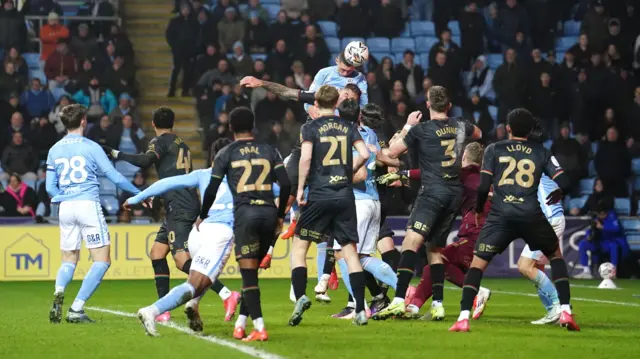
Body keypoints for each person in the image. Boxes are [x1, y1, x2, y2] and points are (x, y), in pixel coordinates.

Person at [103, 107, 240, 323]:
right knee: (157, 253)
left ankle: (226, 294)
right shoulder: (181, 145)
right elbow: (174, 175)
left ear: (154, 123)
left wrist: (115, 153)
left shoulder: (160, 141)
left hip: (179, 206)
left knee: (181, 260)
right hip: (178, 204)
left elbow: (144, 161)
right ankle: (164, 310)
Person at [449, 108, 579, 332]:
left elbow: (482, 186)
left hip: (501, 216)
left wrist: (479, 209)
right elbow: (565, 180)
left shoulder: (494, 149)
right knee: (556, 257)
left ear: (507, 128)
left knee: (477, 264)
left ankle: (462, 318)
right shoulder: (541, 151)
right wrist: (560, 191)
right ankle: (565, 311)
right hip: (531, 214)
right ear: (530, 130)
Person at [373, 86, 482, 321]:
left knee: (412, 242)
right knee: (434, 248)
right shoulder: (461, 125)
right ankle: (438, 305)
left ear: (428, 105)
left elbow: (392, 153)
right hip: (454, 193)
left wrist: (408, 126)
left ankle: (399, 300)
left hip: (432, 192)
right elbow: (479, 134)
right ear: (449, 106)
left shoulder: (421, 130)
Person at [198, 107, 290, 341]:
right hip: (269, 213)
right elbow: (286, 185)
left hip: (246, 215)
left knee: (248, 277)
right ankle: (240, 324)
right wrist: (279, 215)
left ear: (230, 127)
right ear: (253, 126)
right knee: (253, 276)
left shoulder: (225, 153)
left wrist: (203, 214)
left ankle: (259, 327)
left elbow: (211, 188)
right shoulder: (270, 150)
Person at [45, 104, 141, 324]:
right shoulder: (91, 146)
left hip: (66, 207)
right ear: (83, 121)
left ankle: (59, 291)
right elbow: (115, 177)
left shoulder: (54, 150)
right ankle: (76, 308)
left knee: (68, 260)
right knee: (102, 260)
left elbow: (50, 187)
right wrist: (140, 193)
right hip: (87, 204)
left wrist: (63, 197)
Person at [289, 85, 371, 326]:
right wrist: (349, 171)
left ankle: (301, 297)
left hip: (320, 194)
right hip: (344, 195)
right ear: (336, 103)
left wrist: (301, 188)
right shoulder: (348, 127)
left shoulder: (310, 127)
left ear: (316, 103)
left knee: (299, 248)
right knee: (349, 252)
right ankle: (360, 309)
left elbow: (305, 159)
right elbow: (365, 154)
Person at [381, 143, 491, 319]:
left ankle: (478, 292)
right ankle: (415, 307)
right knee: (434, 265)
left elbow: (433, 175)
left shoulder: (464, 173)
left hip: (475, 233)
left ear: (464, 158)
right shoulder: (486, 178)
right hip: (488, 233)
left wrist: (405, 174)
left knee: (439, 262)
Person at [508, 120, 565, 325]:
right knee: (537, 269)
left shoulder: (529, 159)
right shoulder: (541, 158)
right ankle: (553, 310)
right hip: (553, 217)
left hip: (549, 219)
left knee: (525, 266)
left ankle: (559, 306)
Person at [575, 201, 631, 279]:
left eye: (600, 214)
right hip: (599, 242)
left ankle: (613, 271)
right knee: (583, 244)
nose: (599, 215)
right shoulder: (596, 218)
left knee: (613, 246)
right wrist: (588, 236)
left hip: (610, 242)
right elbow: (590, 229)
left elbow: (616, 229)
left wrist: (603, 227)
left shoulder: (612, 216)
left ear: (604, 213)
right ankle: (586, 271)